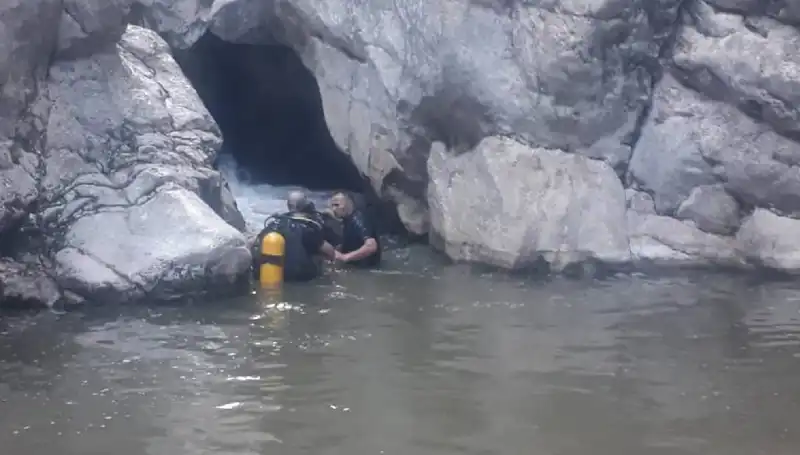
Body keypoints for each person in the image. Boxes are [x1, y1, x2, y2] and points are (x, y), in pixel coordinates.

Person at [252, 191, 337, 282]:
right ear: (306, 206)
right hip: (300, 279)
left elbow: (253, 243)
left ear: (288, 206)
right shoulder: (308, 228)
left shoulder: (274, 224)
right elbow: (330, 252)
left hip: (268, 277)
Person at [329, 191, 381, 268]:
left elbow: (372, 246)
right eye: (332, 205)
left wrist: (345, 257)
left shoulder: (359, 219)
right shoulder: (346, 220)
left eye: (337, 205)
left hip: (366, 268)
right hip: (353, 265)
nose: (333, 209)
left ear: (349, 203)